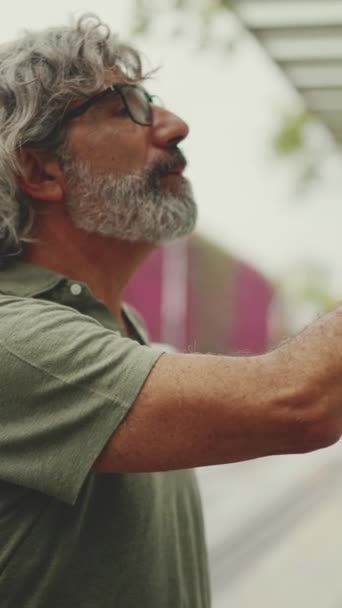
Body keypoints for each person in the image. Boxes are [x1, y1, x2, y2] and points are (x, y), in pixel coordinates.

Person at [0, 13, 341, 608]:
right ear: (40, 170)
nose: (175, 125)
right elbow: (299, 402)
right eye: (123, 105)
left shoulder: (121, 330)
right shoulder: (15, 341)